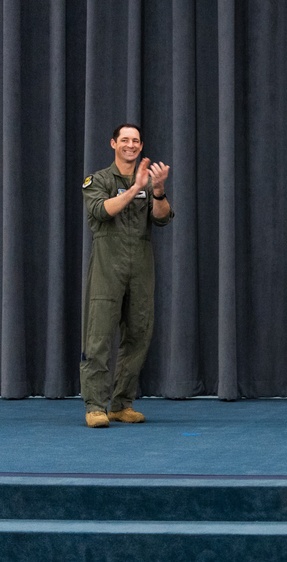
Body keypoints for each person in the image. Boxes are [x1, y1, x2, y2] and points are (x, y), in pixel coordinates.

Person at [79, 124, 174, 428]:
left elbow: (161, 219)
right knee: (99, 337)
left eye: (135, 141)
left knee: (139, 334)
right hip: (108, 266)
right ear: (113, 144)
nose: (130, 145)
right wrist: (135, 188)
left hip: (141, 266)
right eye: (125, 140)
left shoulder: (149, 183)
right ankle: (95, 405)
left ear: (141, 145)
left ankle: (121, 403)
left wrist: (157, 191)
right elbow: (102, 210)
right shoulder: (99, 179)